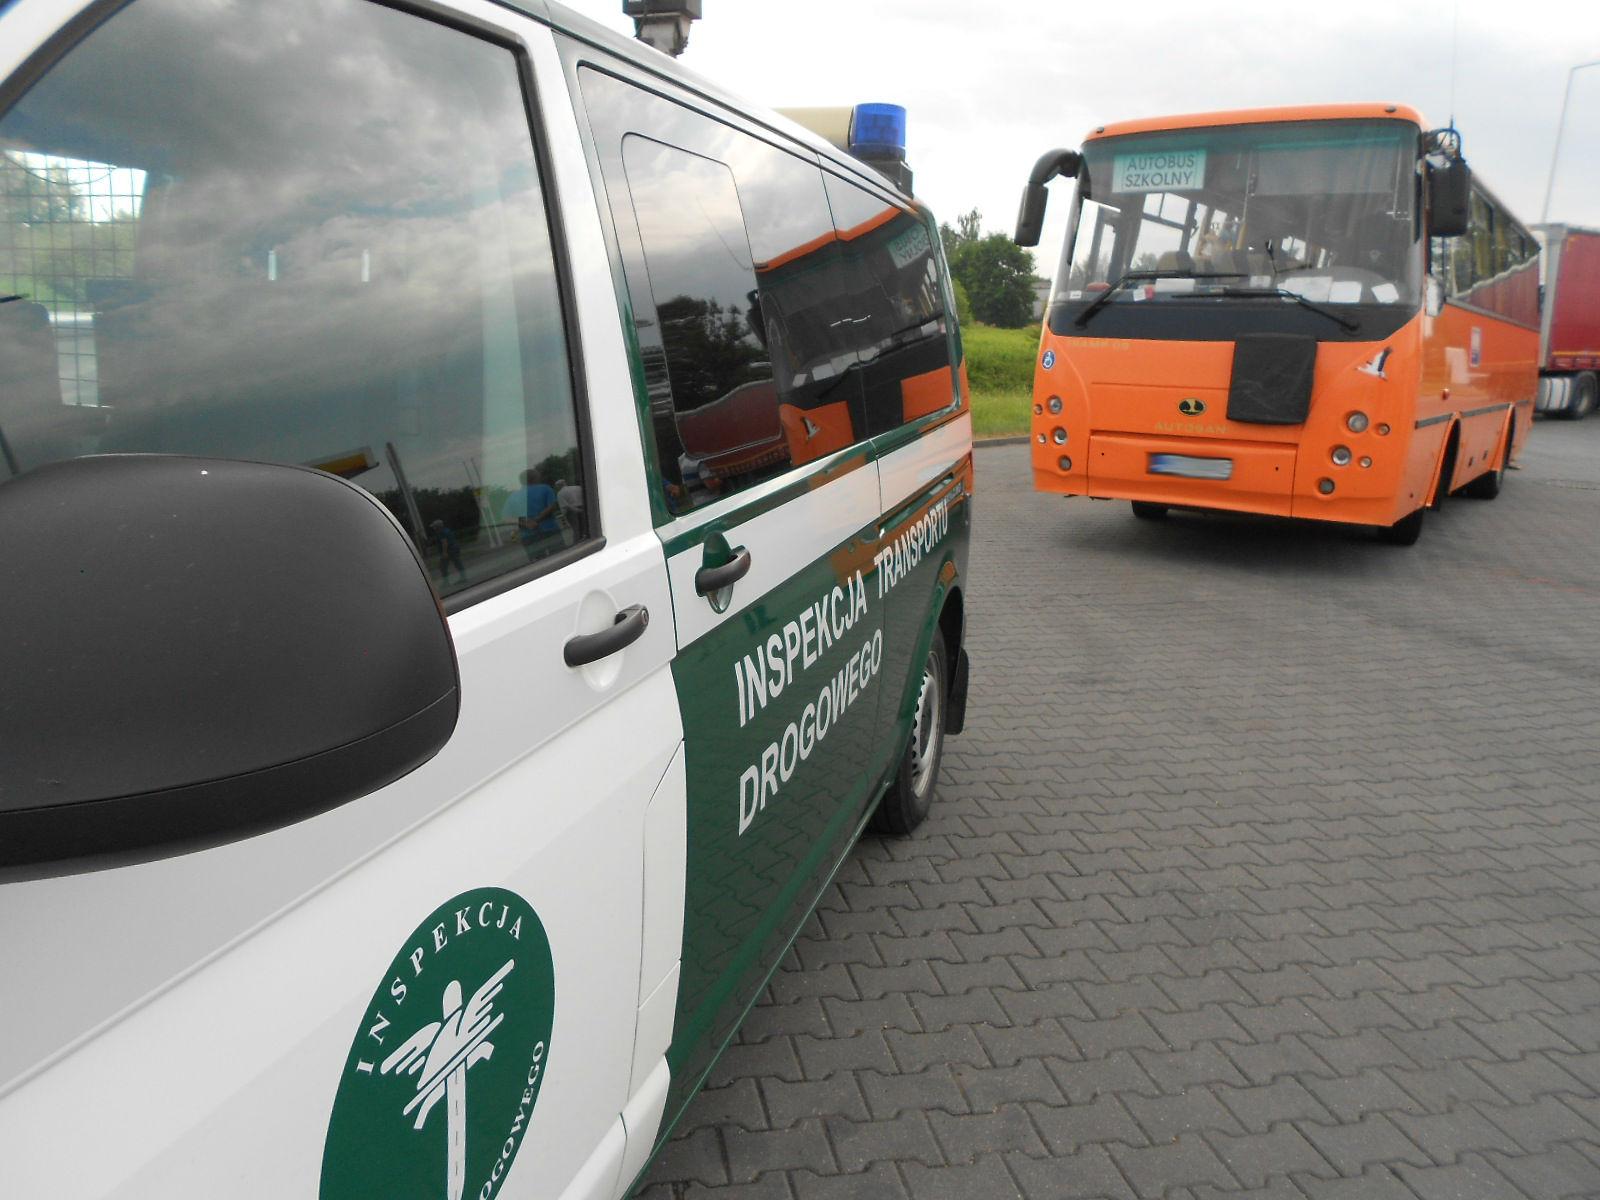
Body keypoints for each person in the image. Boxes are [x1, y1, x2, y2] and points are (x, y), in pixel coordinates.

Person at [500, 468, 562, 562]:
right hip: (549, 530)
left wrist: (525, 523)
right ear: (535, 478)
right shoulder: (545, 488)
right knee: (560, 558)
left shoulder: (513, 496)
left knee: (538, 563)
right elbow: (552, 506)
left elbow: (505, 518)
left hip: (528, 535)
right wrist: (537, 519)